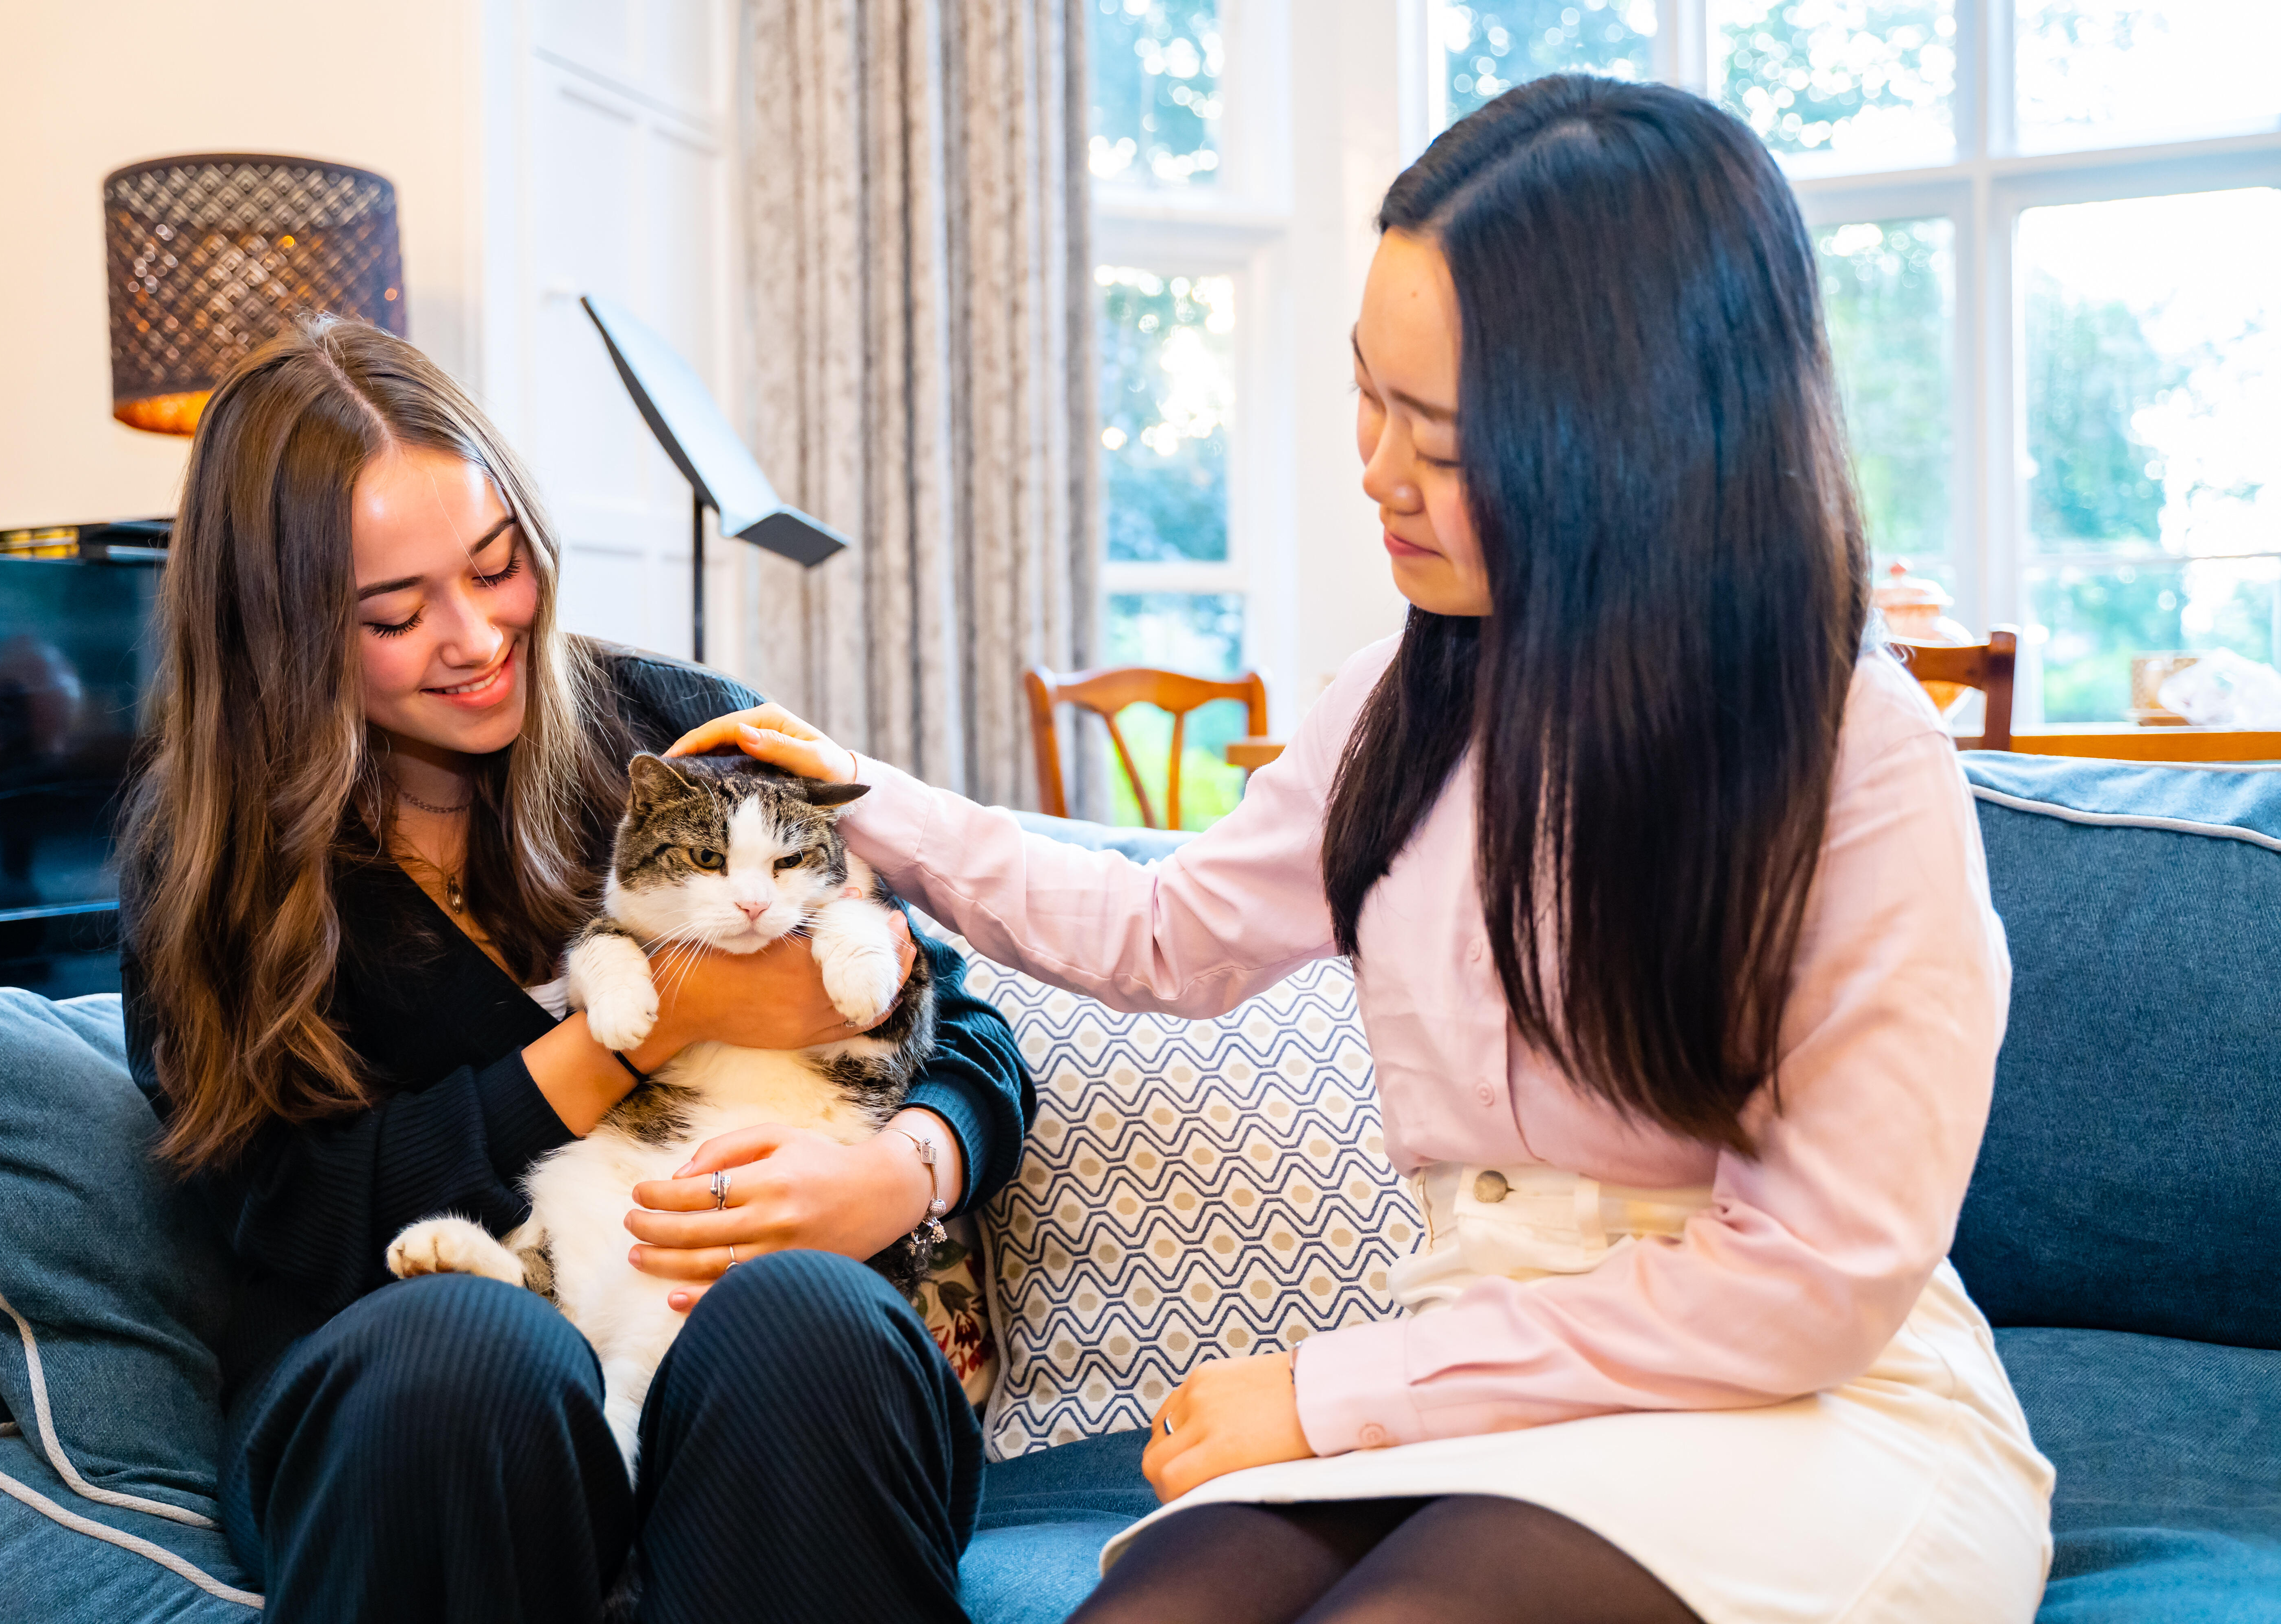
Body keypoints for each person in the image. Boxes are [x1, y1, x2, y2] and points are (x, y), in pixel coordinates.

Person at [668, 75, 2055, 1624]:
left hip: (1808, 1404)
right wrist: (873, 800)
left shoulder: (1856, 759)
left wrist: (1338, 1394)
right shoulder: (1397, 708)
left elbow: (1811, 1283)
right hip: (1487, 1386)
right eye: (1367, 394)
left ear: (1641, 445)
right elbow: (1160, 939)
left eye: (1446, 441)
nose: (1377, 470)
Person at [115, 315, 1031, 1624]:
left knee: (803, 1319)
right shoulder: (211, 859)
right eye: (393, 612)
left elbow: (964, 1022)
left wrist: (899, 1174)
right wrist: (649, 1030)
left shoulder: (670, 728)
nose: (477, 636)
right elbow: (299, 1217)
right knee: (464, 1354)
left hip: (737, 1361)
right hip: (406, 1390)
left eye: (497, 567)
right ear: (279, 627)